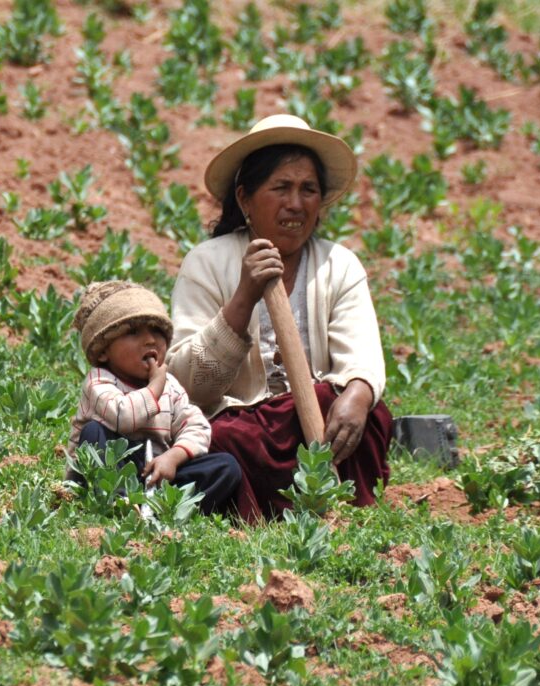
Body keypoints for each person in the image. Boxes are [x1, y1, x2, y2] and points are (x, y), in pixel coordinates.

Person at [168, 113, 392, 522]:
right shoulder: (206, 263)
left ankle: (340, 505)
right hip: (242, 427)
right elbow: (188, 386)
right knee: (220, 438)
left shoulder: (339, 265)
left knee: (370, 414)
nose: (296, 203)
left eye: (308, 190)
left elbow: (363, 359)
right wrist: (243, 298)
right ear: (244, 198)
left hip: (319, 427)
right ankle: (260, 511)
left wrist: (356, 397)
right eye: (281, 188)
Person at [67, 280, 241, 515]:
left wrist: (174, 456)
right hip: (111, 472)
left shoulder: (170, 386)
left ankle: (167, 509)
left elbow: (197, 426)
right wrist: (155, 387)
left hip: (156, 472)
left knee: (226, 467)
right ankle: (119, 503)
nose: (150, 340)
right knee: (94, 432)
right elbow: (124, 417)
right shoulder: (99, 381)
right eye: (133, 332)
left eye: (157, 331)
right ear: (103, 350)